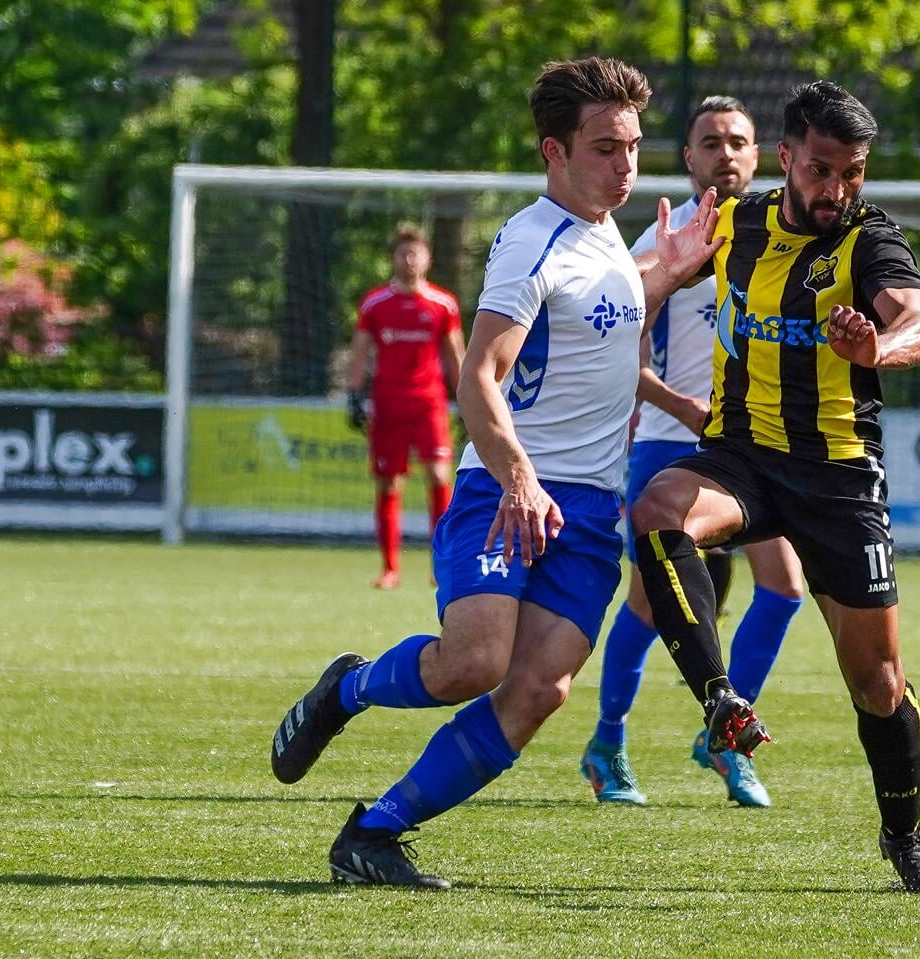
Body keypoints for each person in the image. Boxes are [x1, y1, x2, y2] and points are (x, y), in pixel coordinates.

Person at [270, 56, 722, 888]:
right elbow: (479, 373)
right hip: (506, 490)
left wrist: (669, 269)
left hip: (587, 509)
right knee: (472, 663)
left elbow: (608, 316)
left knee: (537, 690)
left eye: (630, 147)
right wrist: (517, 474)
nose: (623, 166)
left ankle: (373, 833)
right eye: (603, 149)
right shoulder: (530, 239)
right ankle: (349, 688)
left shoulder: (607, 234)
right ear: (553, 152)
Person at [628, 81, 920, 895]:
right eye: (820, 169)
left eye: (852, 172)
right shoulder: (733, 222)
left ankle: (903, 834)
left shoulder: (869, 241)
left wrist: (879, 344)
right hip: (740, 455)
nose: (837, 189)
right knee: (657, 509)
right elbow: (625, 287)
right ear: (785, 160)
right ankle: (718, 700)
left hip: (838, 475)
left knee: (878, 686)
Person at [578, 96, 805, 810]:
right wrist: (682, 407)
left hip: (752, 450)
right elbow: (618, 351)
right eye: (710, 142)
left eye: (738, 140)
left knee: (784, 588)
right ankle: (607, 740)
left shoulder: (777, 235)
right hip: (673, 445)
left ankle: (725, 732)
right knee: (649, 603)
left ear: (760, 154)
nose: (726, 153)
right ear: (689, 158)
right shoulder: (665, 240)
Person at [346, 225, 465, 590]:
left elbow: (455, 354)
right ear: (393, 259)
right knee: (388, 483)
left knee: (440, 478)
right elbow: (361, 351)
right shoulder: (375, 304)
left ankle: (439, 566)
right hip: (388, 405)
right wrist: (353, 394)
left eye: (416, 253)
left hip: (429, 405)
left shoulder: (443, 304)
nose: (409, 259)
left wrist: (466, 399)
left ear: (428, 259)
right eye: (403, 253)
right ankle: (390, 568)